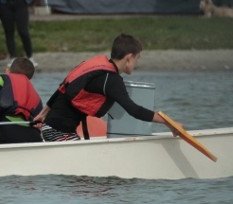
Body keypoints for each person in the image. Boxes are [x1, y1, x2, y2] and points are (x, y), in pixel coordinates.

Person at [34, 33, 177, 142]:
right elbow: (133, 110)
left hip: (52, 128)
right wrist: (166, 121)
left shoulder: (98, 69)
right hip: (57, 133)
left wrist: (44, 112)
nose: (136, 63)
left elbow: (63, 87)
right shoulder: (111, 79)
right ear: (128, 58)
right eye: (137, 58)